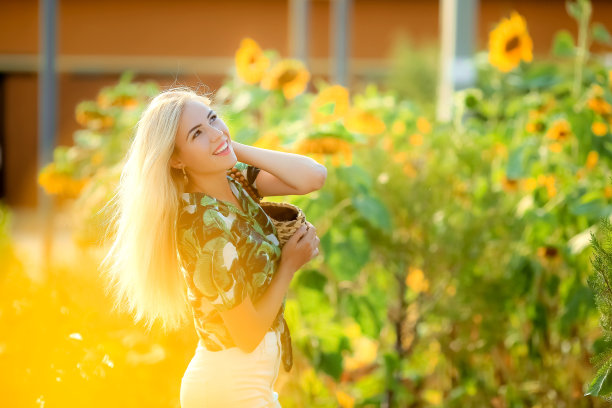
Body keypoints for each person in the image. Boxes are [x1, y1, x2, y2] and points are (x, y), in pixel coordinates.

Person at [99, 87, 326, 407]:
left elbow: (313, 177)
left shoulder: (234, 179)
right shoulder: (204, 227)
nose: (214, 132)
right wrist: (289, 265)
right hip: (228, 388)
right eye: (196, 134)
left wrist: (227, 145)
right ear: (176, 159)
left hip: (249, 383)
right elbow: (246, 336)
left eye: (213, 119)